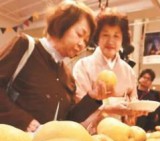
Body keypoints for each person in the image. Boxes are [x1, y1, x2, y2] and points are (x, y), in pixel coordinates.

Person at [0, 1, 132, 133]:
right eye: (79, 34)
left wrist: (92, 97)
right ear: (61, 24)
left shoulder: (68, 76)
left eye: (86, 41)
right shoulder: (25, 46)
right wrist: (24, 121)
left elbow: (69, 119)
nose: (82, 44)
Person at [73, 9, 137, 102]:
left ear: (123, 39)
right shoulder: (83, 66)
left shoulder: (129, 71)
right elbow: (78, 103)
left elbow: (133, 100)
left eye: (116, 36)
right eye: (105, 35)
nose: (110, 41)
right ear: (97, 37)